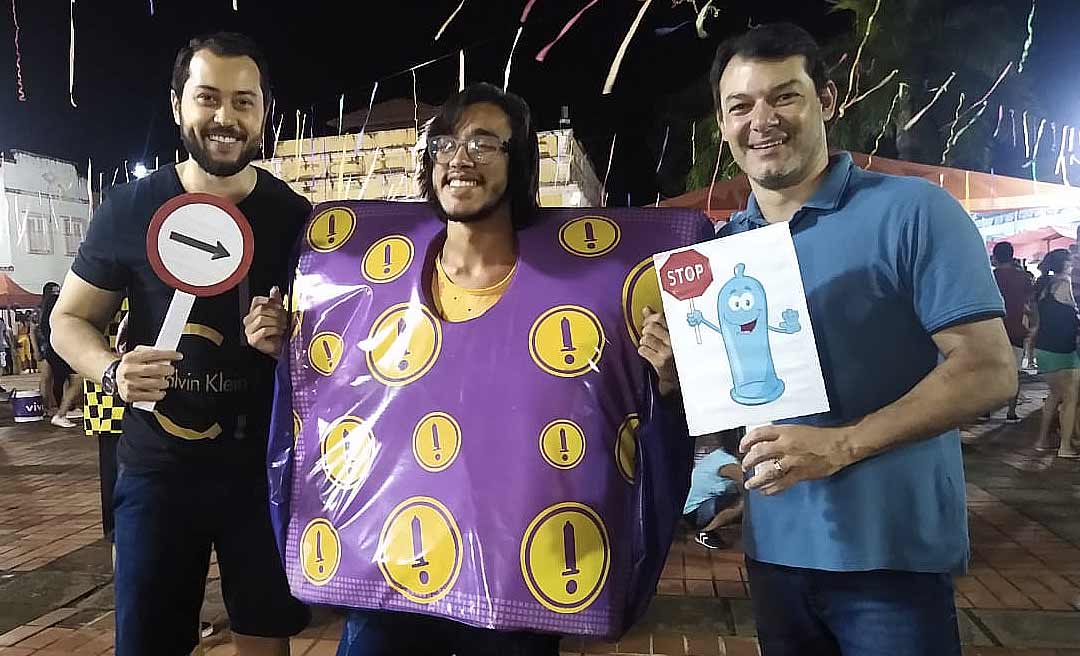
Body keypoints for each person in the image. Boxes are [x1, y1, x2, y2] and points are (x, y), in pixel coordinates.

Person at [244, 83, 684, 656]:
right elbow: (341, 388)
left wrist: (667, 379)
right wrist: (288, 348)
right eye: (446, 144)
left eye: (484, 143)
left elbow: (628, 403)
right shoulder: (366, 283)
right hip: (390, 578)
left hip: (516, 584)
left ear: (519, 163)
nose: (460, 159)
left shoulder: (592, 288)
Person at [704, 23, 1016, 655]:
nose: (762, 120)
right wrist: (675, 371)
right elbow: (732, 413)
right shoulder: (723, 252)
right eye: (741, 106)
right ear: (722, 124)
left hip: (891, 562)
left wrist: (842, 445)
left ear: (826, 100)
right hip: (774, 555)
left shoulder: (913, 211)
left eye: (784, 96)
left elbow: (988, 368)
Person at [51, 32, 310, 655]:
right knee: (148, 642)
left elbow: (335, 348)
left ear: (264, 112)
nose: (226, 118)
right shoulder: (130, 208)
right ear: (177, 105)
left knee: (266, 638)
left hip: (263, 472)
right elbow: (68, 320)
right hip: (156, 472)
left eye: (244, 101)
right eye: (207, 97)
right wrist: (111, 370)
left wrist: (292, 341)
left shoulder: (296, 218)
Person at [1031, 249, 1080, 457]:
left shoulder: (1044, 286)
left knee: (1054, 395)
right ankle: (1065, 446)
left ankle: (1041, 441)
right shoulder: (1063, 283)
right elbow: (1073, 315)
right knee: (1071, 397)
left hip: (1043, 347)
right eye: (1071, 261)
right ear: (1065, 264)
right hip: (1062, 350)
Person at [992, 241, 1034, 421]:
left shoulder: (990, 277)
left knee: (990, 369)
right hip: (1016, 329)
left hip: (993, 329)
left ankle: (986, 409)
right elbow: (1030, 303)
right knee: (1014, 371)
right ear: (1012, 256)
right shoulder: (1023, 277)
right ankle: (1011, 412)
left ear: (995, 257)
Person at [39, 282, 83, 427]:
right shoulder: (60, 309)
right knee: (76, 380)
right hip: (63, 349)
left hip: (54, 349)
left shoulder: (45, 311)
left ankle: (61, 409)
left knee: (61, 380)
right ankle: (61, 413)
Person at [683, 448, 743, 550]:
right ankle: (705, 532)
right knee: (745, 501)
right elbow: (748, 482)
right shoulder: (729, 464)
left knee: (742, 498)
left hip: (690, 508)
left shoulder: (720, 455)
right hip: (695, 513)